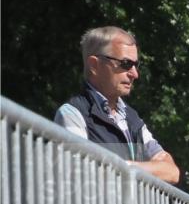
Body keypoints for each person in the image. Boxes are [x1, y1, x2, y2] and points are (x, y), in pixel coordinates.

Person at [54, 26, 180, 184]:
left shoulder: (132, 118)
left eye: (136, 65)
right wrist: (139, 170)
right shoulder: (72, 114)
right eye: (126, 64)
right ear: (94, 65)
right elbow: (81, 173)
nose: (135, 74)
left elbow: (171, 172)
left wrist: (126, 167)